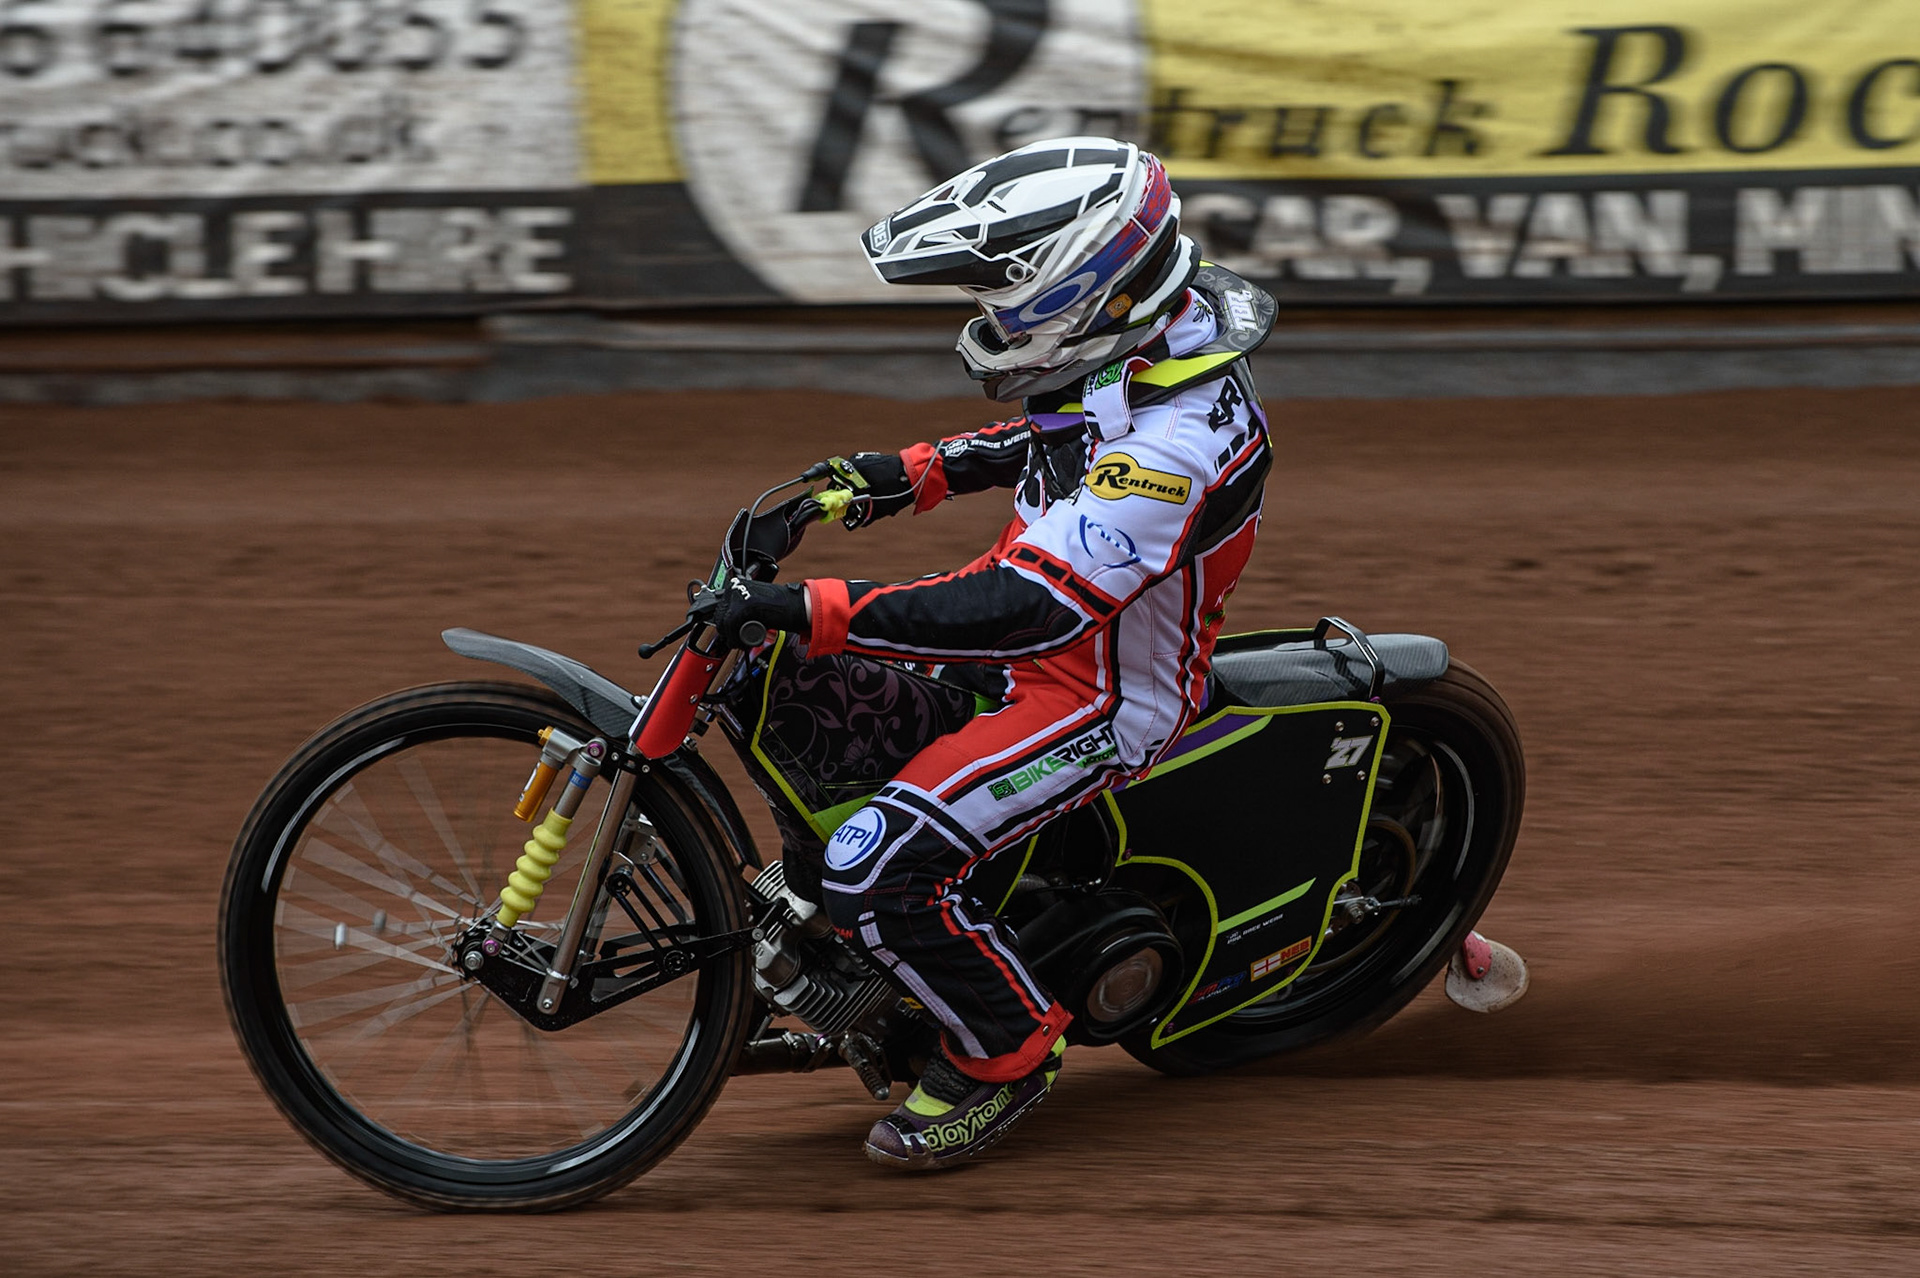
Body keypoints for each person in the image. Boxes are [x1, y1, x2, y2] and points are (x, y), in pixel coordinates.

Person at [698, 136, 1275, 1170]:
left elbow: (1025, 612)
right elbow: (1051, 434)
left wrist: (816, 605)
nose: (989, 325)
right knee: (789, 711)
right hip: (1028, 655)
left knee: (872, 865)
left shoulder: (1176, 444)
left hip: (1096, 698)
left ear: (1084, 294)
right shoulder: (1143, 346)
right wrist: (900, 475)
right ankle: (868, 962)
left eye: (1007, 306)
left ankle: (1006, 1052)